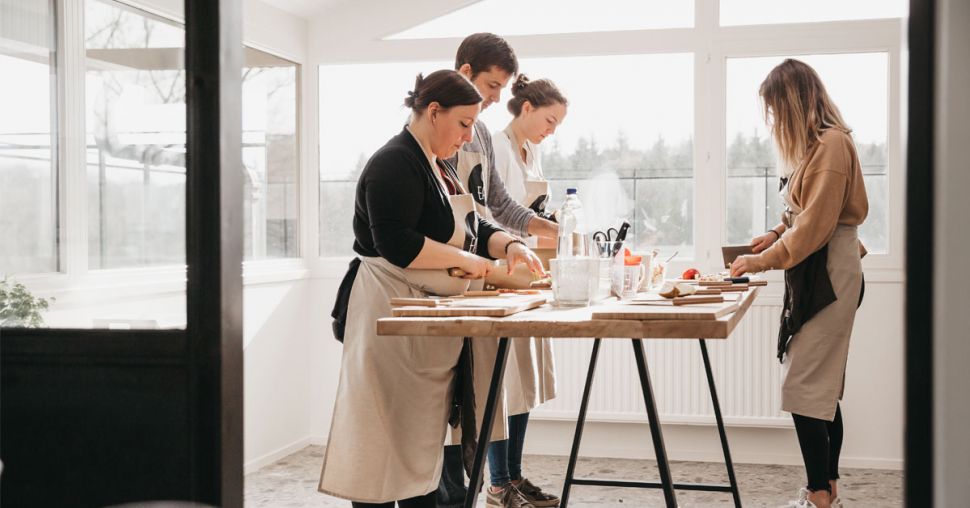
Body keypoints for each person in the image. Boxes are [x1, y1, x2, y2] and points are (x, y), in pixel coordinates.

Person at [319, 69, 543, 508]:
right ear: (433, 112)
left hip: (425, 318)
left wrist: (510, 243)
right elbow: (397, 243)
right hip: (388, 313)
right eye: (463, 125)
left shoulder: (439, 164)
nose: (467, 137)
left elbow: (473, 223)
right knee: (383, 440)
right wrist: (470, 262)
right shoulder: (394, 162)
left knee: (419, 443)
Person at [730, 59, 868, 508]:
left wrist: (762, 259)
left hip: (830, 271)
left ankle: (818, 496)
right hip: (820, 270)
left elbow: (812, 230)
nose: (772, 121)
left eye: (775, 110)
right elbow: (798, 214)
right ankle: (827, 491)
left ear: (795, 103)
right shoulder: (814, 148)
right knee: (819, 389)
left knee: (806, 390)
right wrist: (772, 235)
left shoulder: (832, 145)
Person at [437, 33, 560, 508]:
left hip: (480, 273)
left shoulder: (481, 133)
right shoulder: (439, 128)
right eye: (491, 86)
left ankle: (481, 486)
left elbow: (494, 206)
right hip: (448, 278)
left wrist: (541, 227)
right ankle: (457, 491)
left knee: (484, 391)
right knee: (454, 397)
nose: (495, 99)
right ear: (465, 71)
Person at [485, 74, 568, 508]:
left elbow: (532, 212)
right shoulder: (495, 145)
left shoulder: (531, 151)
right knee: (504, 381)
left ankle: (514, 475)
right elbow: (496, 211)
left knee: (526, 383)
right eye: (549, 120)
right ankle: (498, 482)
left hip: (531, 272)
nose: (551, 130)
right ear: (526, 108)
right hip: (503, 271)